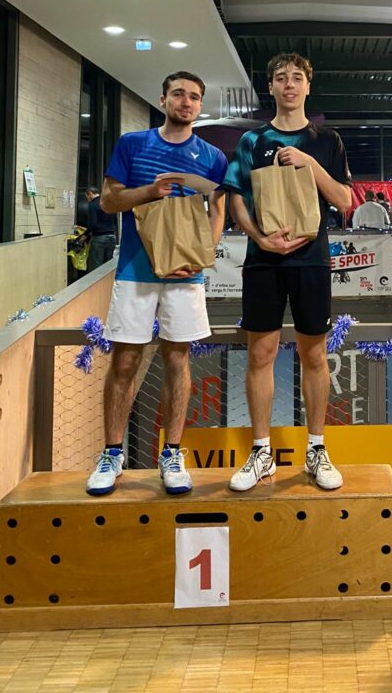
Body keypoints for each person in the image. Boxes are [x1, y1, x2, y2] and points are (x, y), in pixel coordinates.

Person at [85, 72, 227, 497]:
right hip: (135, 271)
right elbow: (109, 201)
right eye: (179, 94)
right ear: (163, 99)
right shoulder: (133, 144)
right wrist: (150, 191)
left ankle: (172, 453)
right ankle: (112, 454)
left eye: (194, 97)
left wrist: (200, 256)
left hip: (186, 276)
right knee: (125, 361)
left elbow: (218, 211)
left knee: (177, 360)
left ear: (200, 106)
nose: (186, 102)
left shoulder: (212, 157)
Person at [225, 52, 353, 492]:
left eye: (297, 77)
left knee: (314, 356)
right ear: (271, 87)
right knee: (260, 356)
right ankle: (262, 452)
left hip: (311, 259)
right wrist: (261, 240)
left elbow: (344, 200)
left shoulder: (328, 140)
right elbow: (237, 198)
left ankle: (316, 449)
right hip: (263, 261)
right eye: (281, 78)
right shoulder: (252, 140)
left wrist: (309, 164)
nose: (289, 84)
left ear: (308, 86)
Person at [84, 187, 117, 270]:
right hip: (112, 237)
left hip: (99, 238)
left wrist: (85, 235)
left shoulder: (92, 205)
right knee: (108, 267)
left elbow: (93, 224)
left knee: (96, 267)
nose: (87, 199)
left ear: (90, 194)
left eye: (87, 197)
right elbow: (115, 220)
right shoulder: (108, 203)